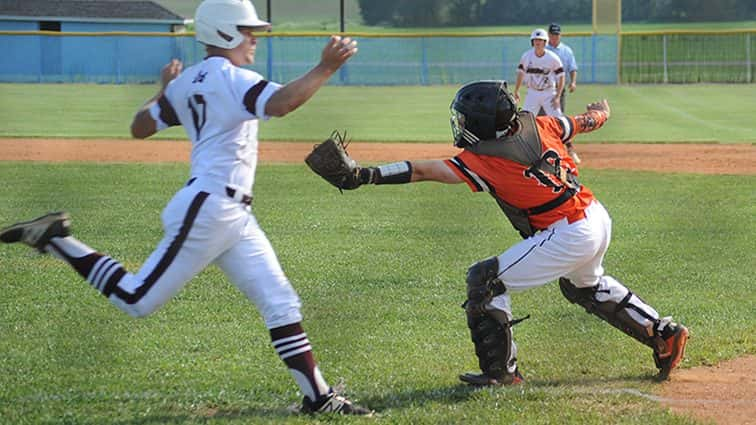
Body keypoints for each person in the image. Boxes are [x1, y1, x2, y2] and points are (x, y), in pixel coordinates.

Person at [0, 0, 371, 416]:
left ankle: (318, 398)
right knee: (136, 299)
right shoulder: (233, 78)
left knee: (280, 302)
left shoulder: (188, 81)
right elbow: (282, 104)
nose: (254, 39)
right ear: (225, 33)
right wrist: (325, 67)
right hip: (211, 208)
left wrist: (165, 90)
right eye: (247, 31)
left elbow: (140, 128)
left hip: (230, 214)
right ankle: (57, 239)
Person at [316, 80, 689, 386]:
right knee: (582, 286)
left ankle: (502, 375)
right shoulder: (539, 124)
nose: (460, 123)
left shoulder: (486, 158)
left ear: (481, 124)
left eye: (465, 118)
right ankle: (663, 332)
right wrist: (600, 114)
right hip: (594, 215)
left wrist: (366, 175)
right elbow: (580, 122)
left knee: (486, 280)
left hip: (570, 231)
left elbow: (422, 170)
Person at [514, 28, 565, 118]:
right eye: (535, 40)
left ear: (545, 42)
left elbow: (561, 76)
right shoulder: (526, 56)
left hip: (549, 93)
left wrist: (557, 96)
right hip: (532, 93)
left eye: (540, 40)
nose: (537, 42)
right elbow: (520, 73)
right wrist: (516, 90)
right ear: (532, 42)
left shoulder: (553, 58)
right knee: (525, 119)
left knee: (558, 120)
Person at [543, 23, 578, 115]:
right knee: (541, 118)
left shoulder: (566, 50)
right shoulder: (542, 48)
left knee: (558, 117)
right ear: (548, 35)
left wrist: (573, 82)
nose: (554, 37)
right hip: (543, 88)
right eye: (552, 34)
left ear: (560, 35)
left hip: (559, 88)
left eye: (557, 34)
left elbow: (572, 68)